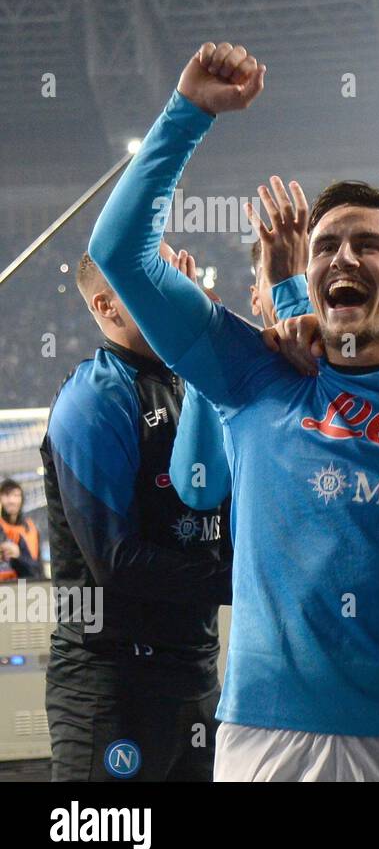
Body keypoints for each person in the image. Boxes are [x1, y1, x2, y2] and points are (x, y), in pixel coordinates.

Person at [86, 41, 379, 781]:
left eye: (369, 245)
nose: (343, 257)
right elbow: (119, 251)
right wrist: (189, 115)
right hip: (268, 734)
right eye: (326, 244)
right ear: (304, 272)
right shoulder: (251, 370)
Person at [41, 251, 232, 781]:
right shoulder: (94, 396)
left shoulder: (196, 386)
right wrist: (249, 581)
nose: (174, 290)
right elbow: (116, 560)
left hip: (197, 674)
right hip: (111, 686)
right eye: (151, 279)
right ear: (106, 304)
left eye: (174, 276)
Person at [168, 183, 313, 511]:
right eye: (276, 272)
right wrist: (201, 359)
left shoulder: (356, 365)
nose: (292, 280)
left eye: (305, 275)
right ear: (254, 297)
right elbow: (199, 488)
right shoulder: (233, 375)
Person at [0, 479, 41, 573]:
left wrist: (19, 556)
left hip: (28, 583)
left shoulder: (31, 528)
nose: (11, 500)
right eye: (6, 495)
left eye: (16, 495)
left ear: (22, 499)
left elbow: (38, 567)